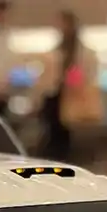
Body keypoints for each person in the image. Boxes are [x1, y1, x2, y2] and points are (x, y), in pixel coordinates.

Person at [37, 10, 98, 162]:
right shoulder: (57, 50)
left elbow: (83, 76)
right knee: (52, 134)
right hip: (54, 96)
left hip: (71, 97)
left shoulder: (80, 53)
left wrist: (70, 82)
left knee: (64, 136)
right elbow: (48, 78)